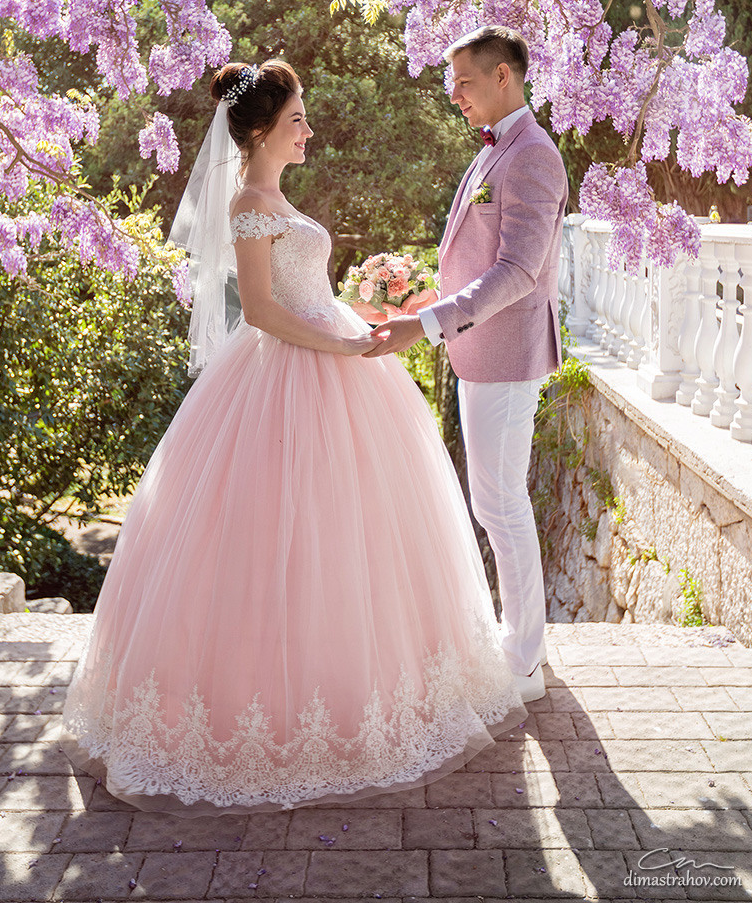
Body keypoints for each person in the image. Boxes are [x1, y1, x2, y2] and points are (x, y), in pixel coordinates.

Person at [59, 58, 527, 816]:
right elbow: (263, 309)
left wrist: (356, 317)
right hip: (285, 369)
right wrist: (338, 344)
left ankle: (359, 689)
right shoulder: (249, 201)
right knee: (267, 540)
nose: (308, 130)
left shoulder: (276, 196)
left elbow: (304, 291)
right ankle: (259, 713)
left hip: (334, 353)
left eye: (304, 117)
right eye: (296, 120)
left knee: (348, 536)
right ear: (262, 132)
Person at [365, 26, 568, 704]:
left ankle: (526, 662)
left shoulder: (532, 156)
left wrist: (424, 324)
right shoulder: (495, 152)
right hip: (477, 349)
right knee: (493, 503)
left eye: (465, 83)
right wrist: (425, 298)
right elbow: (480, 254)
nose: (455, 96)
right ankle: (521, 643)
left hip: (507, 357)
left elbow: (517, 271)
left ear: (504, 75)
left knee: (503, 506)